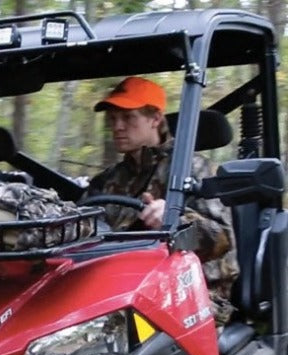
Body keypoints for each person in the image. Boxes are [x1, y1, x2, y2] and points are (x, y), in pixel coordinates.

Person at [88, 76, 239, 327]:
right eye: (113, 119)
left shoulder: (193, 169)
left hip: (193, 297)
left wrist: (175, 219)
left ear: (155, 119)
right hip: (119, 290)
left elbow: (222, 239)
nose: (117, 127)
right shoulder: (107, 181)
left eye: (128, 117)